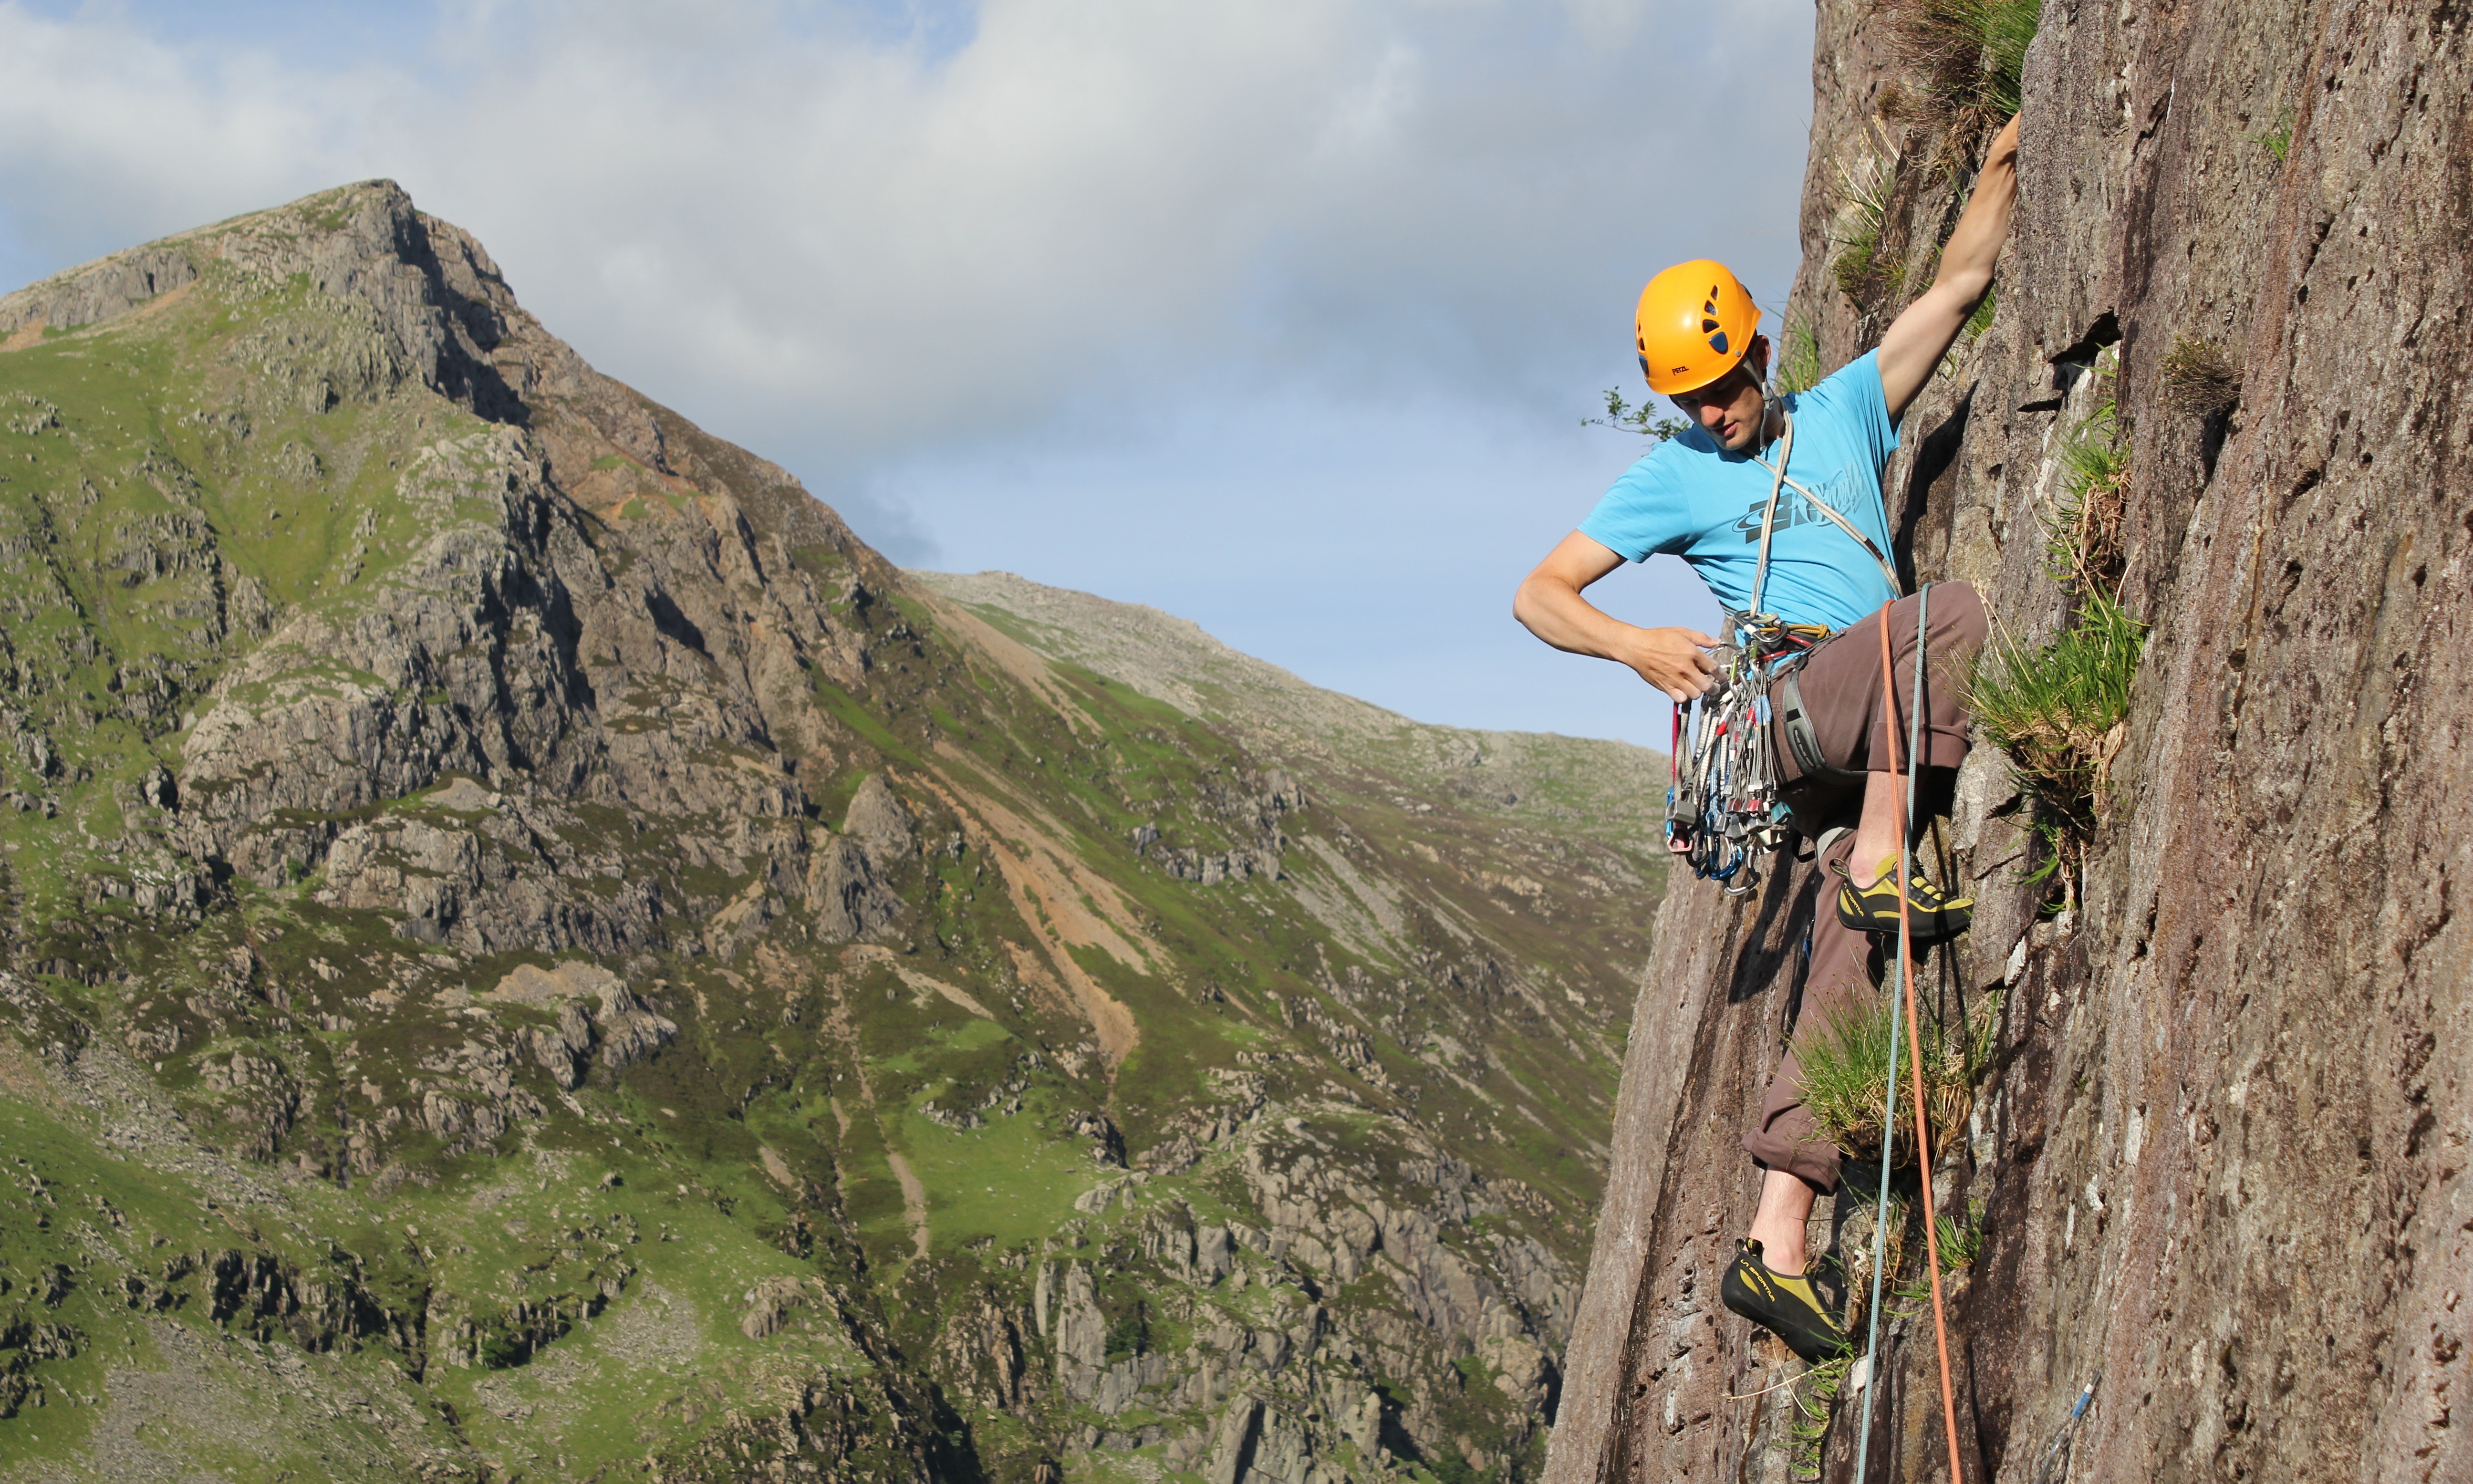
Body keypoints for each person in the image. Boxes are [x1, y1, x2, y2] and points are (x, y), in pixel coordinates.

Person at [1513, 116, 2021, 1361]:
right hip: (1788, 706)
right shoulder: (1675, 477)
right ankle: (1890, 844)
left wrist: (2008, 152)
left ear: (1761, 351)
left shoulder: (1843, 409)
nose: (1717, 410)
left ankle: (1778, 1232)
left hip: (1862, 720)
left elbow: (1958, 286)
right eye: (1693, 397)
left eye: (1728, 383)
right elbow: (1539, 593)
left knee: (1866, 939)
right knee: (1943, 617)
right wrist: (1636, 644)